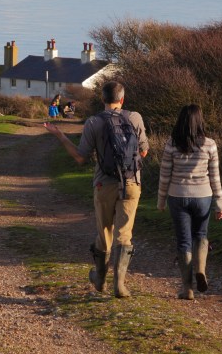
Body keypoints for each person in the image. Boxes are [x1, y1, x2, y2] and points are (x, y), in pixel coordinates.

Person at [44, 81, 149, 298]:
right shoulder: (135, 117)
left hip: (104, 184)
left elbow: (80, 157)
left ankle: (100, 278)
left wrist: (60, 135)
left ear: (102, 99)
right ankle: (119, 284)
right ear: (122, 99)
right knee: (124, 233)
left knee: (105, 232)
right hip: (131, 183)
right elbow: (144, 152)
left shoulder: (93, 122)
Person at [157, 104, 222, 300]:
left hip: (177, 196)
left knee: (183, 241)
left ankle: (187, 288)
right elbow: (215, 177)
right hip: (203, 196)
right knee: (201, 235)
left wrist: (161, 200)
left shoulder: (171, 143)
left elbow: (164, 175)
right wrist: (219, 203)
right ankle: (201, 269)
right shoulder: (210, 144)